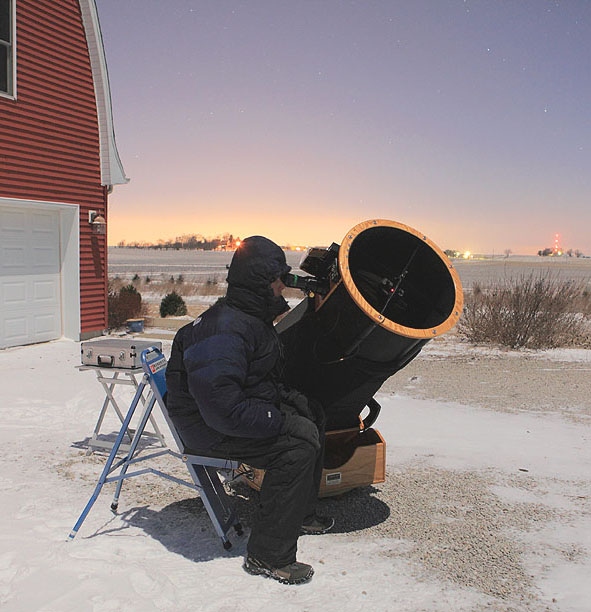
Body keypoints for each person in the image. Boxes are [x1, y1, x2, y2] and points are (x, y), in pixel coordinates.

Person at [165, 236, 334, 585]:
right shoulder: (223, 331)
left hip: (228, 413)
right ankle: (268, 556)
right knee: (297, 445)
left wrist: (291, 404)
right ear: (260, 284)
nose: (282, 287)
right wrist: (277, 419)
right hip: (210, 431)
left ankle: (299, 513)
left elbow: (253, 378)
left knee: (312, 413)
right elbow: (222, 410)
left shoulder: (245, 316)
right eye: (277, 280)